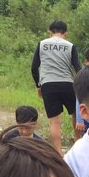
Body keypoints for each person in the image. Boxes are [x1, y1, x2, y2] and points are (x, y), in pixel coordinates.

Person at [31, 20, 82, 154]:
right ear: (65, 33)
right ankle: (78, 146)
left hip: (48, 84)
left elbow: (34, 67)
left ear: (50, 32)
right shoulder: (70, 46)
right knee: (76, 115)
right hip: (67, 83)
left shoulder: (42, 44)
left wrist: (38, 85)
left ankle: (59, 154)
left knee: (54, 122)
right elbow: (78, 68)